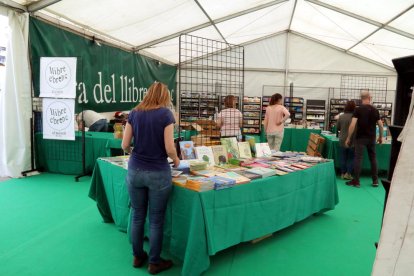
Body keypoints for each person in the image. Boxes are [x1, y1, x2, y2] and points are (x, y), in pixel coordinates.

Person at [122, 82, 179, 274]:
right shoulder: (165, 115)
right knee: (156, 219)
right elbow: (170, 148)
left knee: (138, 214)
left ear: (147, 94)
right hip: (158, 172)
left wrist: (135, 152)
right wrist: (177, 159)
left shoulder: (134, 112)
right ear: (164, 96)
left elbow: (124, 144)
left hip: (135, 169)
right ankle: (154, 262)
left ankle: (137, 255)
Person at [345, 90, 383, 188]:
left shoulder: (358, 110)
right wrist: (381, 137)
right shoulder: (375, 110)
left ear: (361, 98)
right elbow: (381, 125)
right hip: (371, 138)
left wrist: (348, 137)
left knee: (358, 158)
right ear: (370, 98)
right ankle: (375, 181)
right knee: (373, 158)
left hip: (360, 138)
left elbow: (352, 124)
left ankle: (356, 181)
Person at [337, 100, 356, 180]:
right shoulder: (355, 117)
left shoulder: (341, 116)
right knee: (351, 157)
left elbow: (338, 127)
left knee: (343, 157)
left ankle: (342, 173)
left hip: (342, 139)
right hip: (352, 140)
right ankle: (348, 173)